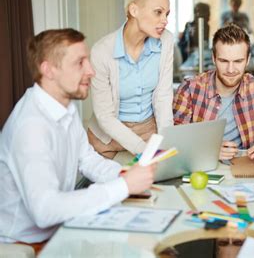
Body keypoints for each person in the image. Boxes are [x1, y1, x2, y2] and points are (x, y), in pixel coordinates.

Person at [0, 29, 155, 251]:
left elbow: (88, 159)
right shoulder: (30, 128)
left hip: (59, 230)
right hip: (27, 244)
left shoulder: (65, 108)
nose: (91, 71)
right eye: (80, 63)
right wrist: (123, 186)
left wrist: (124, 175)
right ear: (49, 70)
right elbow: (45, 210)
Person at [88, 0, 174, 159]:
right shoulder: (101, 51)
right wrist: (142, 150)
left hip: (149, 131)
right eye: (158, 12)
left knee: (156, 184)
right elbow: (104, 116)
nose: (165, 20)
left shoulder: (166, 41)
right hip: (107, 136)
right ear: (134, 10)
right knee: (109, 184)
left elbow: (163, 97)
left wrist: (165, 142)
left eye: (167, 14)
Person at [173, 24, 254, 161]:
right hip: (202, 167)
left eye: (238, 61)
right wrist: (209, 149)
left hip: (243, 167)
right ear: (214, 59)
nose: (231, 70)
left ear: (248, 60)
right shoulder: (190, 88)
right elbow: (175, 139)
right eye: (223, 61)